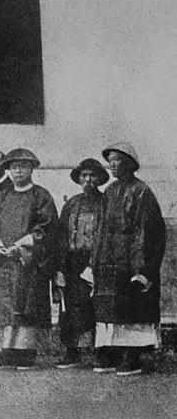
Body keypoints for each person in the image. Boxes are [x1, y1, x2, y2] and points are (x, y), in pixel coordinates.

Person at [90, 142, 166, 376]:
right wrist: (96, 259)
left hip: (131, 260)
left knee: (133, 308)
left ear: (130, 163)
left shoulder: (141, 191)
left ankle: (132, 357)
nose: (112, 165)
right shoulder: (110, 192)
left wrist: (141, 268)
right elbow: (101, 228)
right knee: (112, 309)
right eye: (110, 160)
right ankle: (113, 354)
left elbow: (146, 231)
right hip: (109, 259)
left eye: (117, 160)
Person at [0, 148, 58, 370]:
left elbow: (47, 228)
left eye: (23, 166)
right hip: (4, 262)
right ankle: (4, 350)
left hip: (27, 262)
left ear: (31, 168)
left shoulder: (41, 196)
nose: (18, 171)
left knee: (26, 304)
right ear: (9, 170)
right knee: (4, 306)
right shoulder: (2, 196)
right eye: (14, 167)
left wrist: (20, 246)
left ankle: (26, 351)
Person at [55, 158, 108, 369]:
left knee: (97, 306)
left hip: (97, 260)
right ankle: (71, 351)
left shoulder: (106, 202)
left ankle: (102, 352)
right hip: (72, 262)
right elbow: (61, 237)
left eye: (92, 175)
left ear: (100, 178)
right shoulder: (71, 204)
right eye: (84, 176)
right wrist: (60, 268)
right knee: (70, 308)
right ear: (78, 179)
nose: (88, 180)